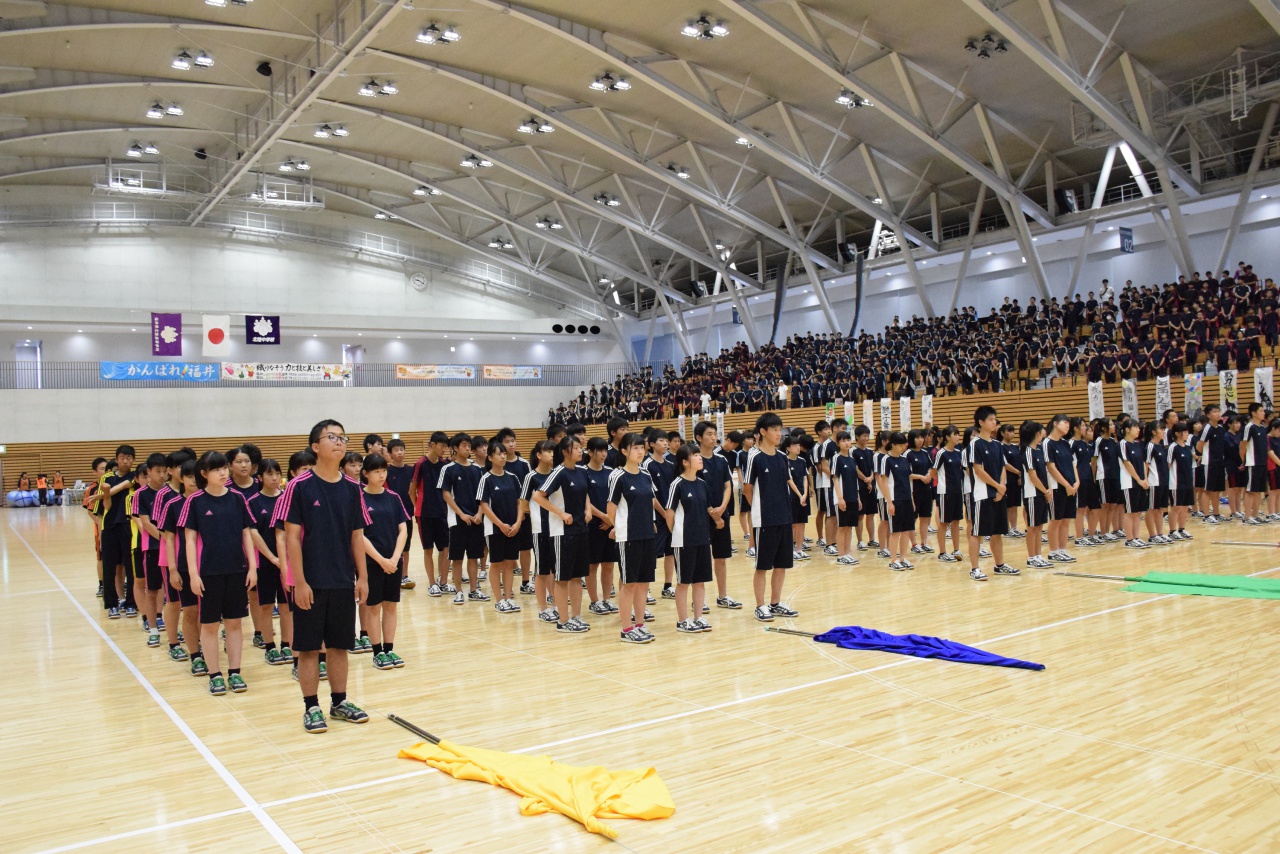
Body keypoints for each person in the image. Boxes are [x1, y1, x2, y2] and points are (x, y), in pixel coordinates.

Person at [283, 419, 372, 733]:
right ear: (315, 446)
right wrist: (300, 581)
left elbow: (357, 536)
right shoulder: (299, 486)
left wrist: (362, 577)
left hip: (342, 581)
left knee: (339, 646)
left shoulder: (352, 488)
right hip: (311, 582)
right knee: (309, 649)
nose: (339, 442)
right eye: (331, 437)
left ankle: (339, 702)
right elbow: (292, 538)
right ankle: (311, 706)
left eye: (342, 437)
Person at [181, 451, 258, 697]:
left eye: (224, 467)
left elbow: (247, 533)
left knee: (235, 623)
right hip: (209, 573)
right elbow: (189, 540)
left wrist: (253, 567)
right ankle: (215, 675)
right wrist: (193, 574)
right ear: (204, 474)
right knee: (210, 625)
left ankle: (235, 672)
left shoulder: (237, 498)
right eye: (216, 469)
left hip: (237, 571)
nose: (223, 472)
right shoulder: (195, 501)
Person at [533, 434, 593, 633]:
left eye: (580, 447)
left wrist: (588, 509)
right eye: (576, 448)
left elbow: (586, 493)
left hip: (580, 530)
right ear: (565, 451)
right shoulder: (558, 472)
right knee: (562, 577)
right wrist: (560, 513)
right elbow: (538, 496)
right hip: (562, 533)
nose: (580, 450)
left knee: (577, 577)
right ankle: (563, 620)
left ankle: (575, 616)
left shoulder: (582, 471)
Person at [743, 412, 799, 622]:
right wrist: (759, 509)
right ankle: (760, 605)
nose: (779, 434)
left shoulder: (783, 457)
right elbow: (747, 489)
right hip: (764, 520)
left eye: (779, 429)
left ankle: (775, 603)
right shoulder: (755, 457)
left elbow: (786, 483)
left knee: (781, 564)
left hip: (784, 517)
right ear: (763, 432)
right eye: (774, 430)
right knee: (762, 565)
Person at [607, 432, 662, 642]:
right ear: (624, 451)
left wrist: (653, 522)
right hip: (628, 537)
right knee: (629, 583)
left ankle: (639, 624)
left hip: (647, 535)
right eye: (635, 448)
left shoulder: (646, 475)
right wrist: (618, 527)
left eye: (641, 447)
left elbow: (650, 501)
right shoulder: (617, 476)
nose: (640, 452)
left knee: (643, 583)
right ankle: (626, 629)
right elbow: (611, 508)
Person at [360, 453, 409, 670]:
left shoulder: (393, 497)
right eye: (376, 471)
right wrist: (381, 560)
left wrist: (395, 558)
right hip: (371, 562)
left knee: (390, 605)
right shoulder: (359, 498)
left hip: (393, 561)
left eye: (384, 471)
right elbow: (359, 535)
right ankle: (377, 652)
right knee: (373, 607)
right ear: (366, 474)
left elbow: (403, 529)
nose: (381, 475)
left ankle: (389, 649)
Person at [667, 444, 715, 633]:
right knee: (683, 582)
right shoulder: (677, 484)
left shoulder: (702, 484)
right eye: (695, 455)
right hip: (684, 541)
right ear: (685, 462)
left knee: (700, 581)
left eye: (699, 454)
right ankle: (682, 620)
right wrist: (678, 533)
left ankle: (698, 617)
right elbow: (669, 514)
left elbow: (707, 509)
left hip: (702, 539)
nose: (699, 457)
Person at [248, 459, 292, 666]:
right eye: (269, 474)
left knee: (286, 606)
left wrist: (284, 560)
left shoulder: (287, 499)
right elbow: (253, 533)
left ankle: (286, 644)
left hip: (287, 563)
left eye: (277, 473)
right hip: (265, 563)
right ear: (260, 477)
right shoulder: (253, 502)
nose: (274, 478)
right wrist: (272, 558)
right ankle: (270, 647)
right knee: (266, 606)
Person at [968, 406, 1017, 581]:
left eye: (995, 419)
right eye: (990, 419)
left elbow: (1002, 467)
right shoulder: (975, 444)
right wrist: (997, 486)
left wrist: (1001, 488)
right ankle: (974, 569)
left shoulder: (997, 444)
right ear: (981, 422)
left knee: (997, 532)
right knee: (978, 532)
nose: (994, 422)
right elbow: (978, 470)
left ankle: (1000, 565)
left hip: (999, 493)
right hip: (982, 494)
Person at [164, 458, 204, 671]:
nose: (193, 480)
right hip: (185, 566)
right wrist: (172, 569)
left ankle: (206, 649)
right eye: (189, 476)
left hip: (210, 566)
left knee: (207, 614)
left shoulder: (208, 501)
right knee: (190, 611)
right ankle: (195, 655)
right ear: (181, 478)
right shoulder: (173, 505)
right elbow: (169, 539)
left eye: (197, 476)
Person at [439, 433, 488, 605]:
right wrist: (461, 514)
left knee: (474, 557)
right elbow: (446, 494)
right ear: (455, 448)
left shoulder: (477, 469)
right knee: (457, 558)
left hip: (476, 520)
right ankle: (459, 591)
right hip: (457, 521)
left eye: (469, 445)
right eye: (464, 445)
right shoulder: (448, 469)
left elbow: (483, 495)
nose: (468, 448)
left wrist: (480, 513)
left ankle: (474, 590)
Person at [695, 421, 740, 608]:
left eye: (715, 434)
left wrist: (722, 508)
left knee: (721, 558)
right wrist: (713, 514)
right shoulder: (694, 460)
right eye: (709, 434)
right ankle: (699, 600)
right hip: (701, 517)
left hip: (722, 514)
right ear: (699, 437)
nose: (714, 438)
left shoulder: (721, 460)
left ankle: (722, 596)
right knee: (701, 558)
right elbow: (696, 490)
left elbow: (728, 486)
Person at [478, 439, 524, 614]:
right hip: (495, 529)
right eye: (499, 454)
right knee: (496, 564)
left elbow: (520, 502)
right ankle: (499, 601)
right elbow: (484, 506)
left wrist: (518, 523)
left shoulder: (512, 478)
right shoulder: (486, 479)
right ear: (490, 457)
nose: (503, 456)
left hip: (513, 528)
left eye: (504, 453)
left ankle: (508, 598)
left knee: (509, 564)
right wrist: (500, 524)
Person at [131, 454, 168, 649]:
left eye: (164, 471)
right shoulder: (141, 494)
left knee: (172, 593)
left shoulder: (172, 492)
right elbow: (145, 522)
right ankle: (153, 629)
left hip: (172, 549)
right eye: (157, 471)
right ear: (149, 472)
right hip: (153, 548)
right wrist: (165, 540)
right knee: (152, 590)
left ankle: (170, 628)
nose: (162, 475)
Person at [520, 440, 558, 623]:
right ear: (538, 455)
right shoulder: (531, 477)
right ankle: (543, 608)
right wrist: (535, 517)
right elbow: (523, 503)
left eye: (553, 451)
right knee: (542, 570)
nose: (552, 454)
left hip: (558, 529)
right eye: (548, 451)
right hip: (540, 530)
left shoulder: (557, 474)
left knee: (557, 570)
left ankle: (556, 605)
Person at [410, 432, 452, 596]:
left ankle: (443, 582)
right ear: (432, 445)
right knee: (428, 549)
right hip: (425, 514)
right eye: (442, 445)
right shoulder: (421, 464)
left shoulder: (444, 465)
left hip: (442, 513)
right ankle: (432, 583)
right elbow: (411, 490)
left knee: (445, 548)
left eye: (446, 446)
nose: (444, 449)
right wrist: (418, 508)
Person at [99, 445, 138, 618]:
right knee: (109, 566)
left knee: (130, 566)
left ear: (133, 460)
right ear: (116, 459)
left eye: (129, 458)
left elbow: (124, 486)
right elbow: (105, 504)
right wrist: (105, 494)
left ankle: (131, 603)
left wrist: (107, 492)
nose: (125, 461)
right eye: (122, 458)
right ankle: (112, 604)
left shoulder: (135, 476)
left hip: (128, 525)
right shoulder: (106, 477)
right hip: (109, 525)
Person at [1043, 414, 1079, 563]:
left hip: (1071, 487)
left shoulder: (1065, 443)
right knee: (1056, 520)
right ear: (1055, 423)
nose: (1067, 426)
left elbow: (1072, 464)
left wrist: (1076, 481)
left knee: (1066, 520)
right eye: (1065, 423)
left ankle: (1062, 550)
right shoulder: (1047, 443)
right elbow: (1050, 467)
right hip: (1057, 487)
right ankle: (1053, 551)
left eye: (1069, 424)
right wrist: (1066, 485)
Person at [384, 438, 416, 589]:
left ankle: (404, 575)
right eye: (396, 450)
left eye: (401, 449)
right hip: (390, 515)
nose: (399, 452)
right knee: (391, 545)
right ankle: (391, 573)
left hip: (407, 513)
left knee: (406, 546)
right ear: (390, 453)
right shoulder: (387, 472)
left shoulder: (411, 470)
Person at [1019, 421, 1052, 569]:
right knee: (1032, 527)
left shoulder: (1039, 450)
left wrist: (1048, 489)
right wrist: (1045, 491)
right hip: (1032, 494)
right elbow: (1032, 476)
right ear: (1036, 433)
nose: (1044, 432)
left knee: (1039, 526)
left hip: (1042, 493)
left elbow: (1044, 473)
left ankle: (1038, 555)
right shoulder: (1027, 452)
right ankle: (1031, 557)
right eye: (1042, 430)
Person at [1118, 418, 1151, 548]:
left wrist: (1145, 479)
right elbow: (1127, 463)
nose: (1138, 429)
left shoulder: (1138, 445)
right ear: (1127, 429)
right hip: (1129, 482)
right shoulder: (1122, 444)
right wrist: (1138, 479)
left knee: (1138, 512)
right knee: (1130, 512)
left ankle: (1136, 537)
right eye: (1135, 427)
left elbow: (1143, 463)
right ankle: (1129, 539)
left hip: (1141, 482)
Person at [932, 426, 964, 561]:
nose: (958, 437)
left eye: (958, 434)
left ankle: (956, 549)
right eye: (955, 434)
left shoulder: (958, 452)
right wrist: (942, 483)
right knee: (944, 522)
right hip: (945, 493)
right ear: (947, 437)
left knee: (956, 521)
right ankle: (942, 552)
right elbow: (934, 472)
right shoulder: (941, 453)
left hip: (958, 491)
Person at [831, 430, 861, 565]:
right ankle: (841, 555)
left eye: (848, 440)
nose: (846, 443)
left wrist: (858, 497)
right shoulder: (836, 458)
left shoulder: (852, 460)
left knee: (850, 527)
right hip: (842, 498)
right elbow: (835, 479)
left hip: (853, 497)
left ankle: (847, 553)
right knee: (842, 526)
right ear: (838, 443)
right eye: (843, 441)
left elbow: (855, 480)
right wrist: (840, 498)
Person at [1197, 404, 1227, 523]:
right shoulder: (1207, 428)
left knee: (1217, 490)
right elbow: (1199, 446)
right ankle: (1206, 515)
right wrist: (1204, 456)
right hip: (1209, 463)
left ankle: (1216, 513)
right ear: (1208, 415)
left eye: (1218, 411)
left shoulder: (1220, 428)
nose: (1217, 414)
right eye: (1214, 412)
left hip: (1220, 463)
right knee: (1207, 490)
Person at [1167, 421, 1196, 540]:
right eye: (1184, 432)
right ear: (1177, 433)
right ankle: (1172, 531)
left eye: (1187, 431)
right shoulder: (1173, 447)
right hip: (1176, 483)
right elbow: (1168, 465)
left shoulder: (1188, 448)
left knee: (1185, 507)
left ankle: (1182, 529)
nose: (1187, 434)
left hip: (1188, 482)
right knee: (1176, 507)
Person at [1242, 402, 1269, 525]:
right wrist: (1243, 460)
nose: (1263, 413)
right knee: (1250, 491)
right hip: (1252, 463)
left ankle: (1255, 515)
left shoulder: (1262, 427)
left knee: (1258, 491)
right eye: (1261, 411)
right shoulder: (1249, 427)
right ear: (1253, 413)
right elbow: (1243, 445)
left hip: (1262, 463)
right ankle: (1247, 517)